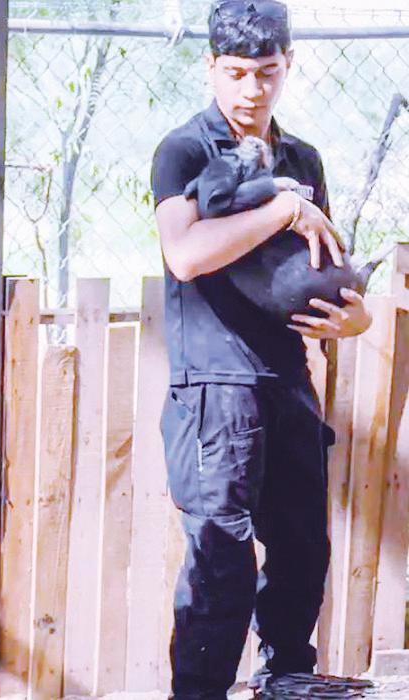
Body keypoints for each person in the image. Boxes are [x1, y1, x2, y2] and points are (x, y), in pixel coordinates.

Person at [150, 2, 373, 698]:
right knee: (221, 559)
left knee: (303, 543)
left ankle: (287, 678)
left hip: (287, 377)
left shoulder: (303, 158)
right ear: (211, 68)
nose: (252, 89)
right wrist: (282, 206)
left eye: (267, 72)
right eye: (236, 73)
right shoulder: (185, 151)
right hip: (215, 386)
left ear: (288, 66)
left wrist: (353, 318)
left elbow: (316, 265)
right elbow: (186, 254)